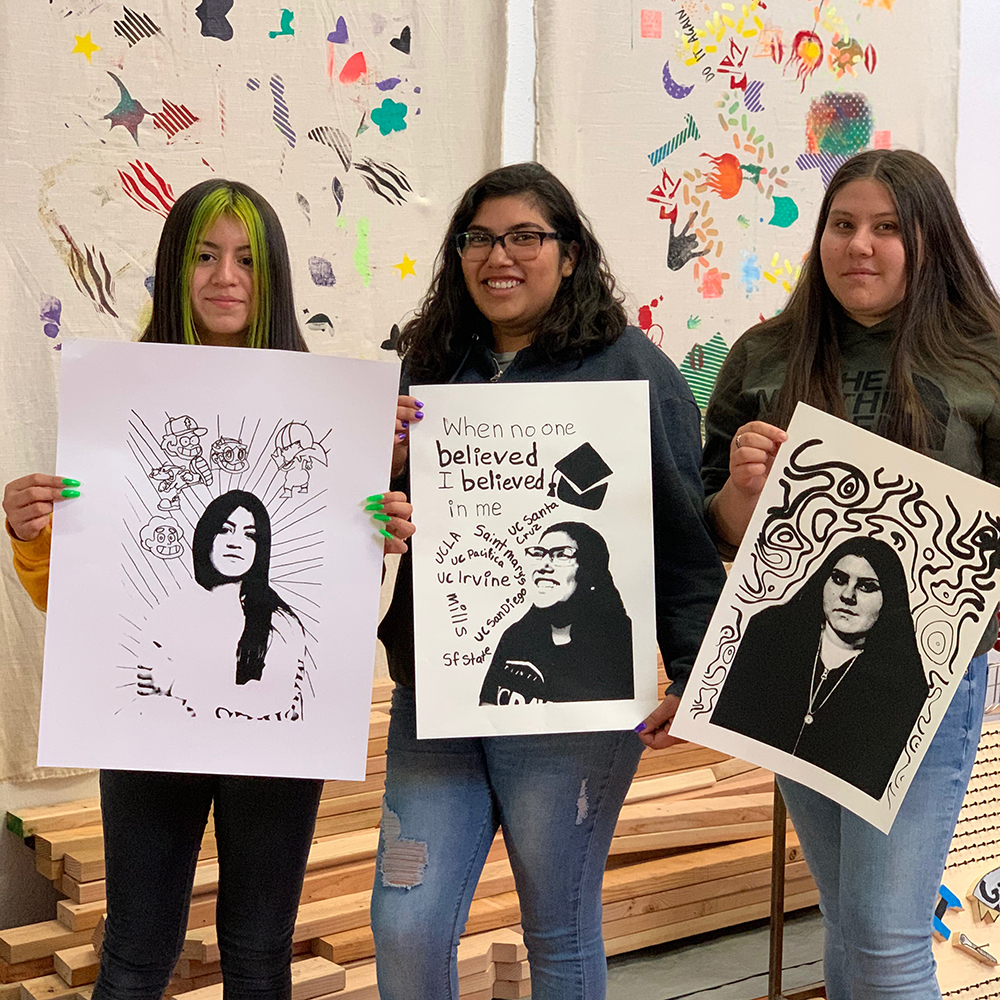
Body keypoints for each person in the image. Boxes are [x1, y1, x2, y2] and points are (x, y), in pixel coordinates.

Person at [2, 178, 415, 1000]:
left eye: (247, 259)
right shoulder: (119, 399)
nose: (226, 277)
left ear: (275, 277)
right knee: (135, 951)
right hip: (149, 731)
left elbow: (338, 602)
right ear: (173, 269)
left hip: (278, 738)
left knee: (258, 954)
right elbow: (79, 600)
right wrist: (31, 534)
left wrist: (377, 520)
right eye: (204, 255)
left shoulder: (328, 412)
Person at [374, 162, 726, 1000]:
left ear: (569, 256)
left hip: (580, 703)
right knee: (405, 925)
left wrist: (698, 673)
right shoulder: (430, 362)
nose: (500, 256)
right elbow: (381, 514)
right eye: (480, 238)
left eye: (526, 237)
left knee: (558, 929)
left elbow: (682, 541)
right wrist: (380, 471)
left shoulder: (631, 369)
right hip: (438, 687)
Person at [701, 149, 1000, 1000]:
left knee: (886, 935)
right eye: (842, 224)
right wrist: (740, 490)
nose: (858, 245)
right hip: (803, 668)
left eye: (886, 227)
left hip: (924, 678)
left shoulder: (986, 356)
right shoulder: (765, 354)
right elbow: (715, 529)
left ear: (929, 239)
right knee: (850, 923)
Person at [710, 536, 927, 798]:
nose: (847, 596)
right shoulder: (769, 634)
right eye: (839, 579)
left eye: (866, 587)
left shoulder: (904, 683)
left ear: (889, 598)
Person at [136, 489, 312, 721]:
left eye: (250, 535)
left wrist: (178, 684)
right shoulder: (170, 614)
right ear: (206, 536)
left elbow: (277, 702)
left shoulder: (281, 622)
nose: (235, 543)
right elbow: (147, 703)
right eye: (224, 530)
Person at [478, 521, 634, 705]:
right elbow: (487, 711)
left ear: (590, 571)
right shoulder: (516, 637)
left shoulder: (622, 644)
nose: (544, 565)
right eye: (539, 553)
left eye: (562, 555)